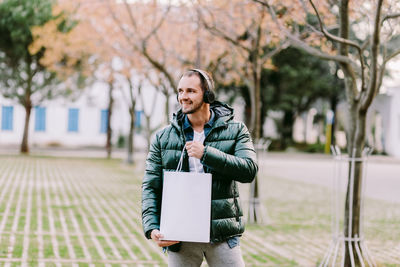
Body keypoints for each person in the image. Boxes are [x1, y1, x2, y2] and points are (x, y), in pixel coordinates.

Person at [141, 69, 258, 266]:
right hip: (180, 235)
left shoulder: (236, 129)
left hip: (221, 233)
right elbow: (151, 186)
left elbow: (249, 170)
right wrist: (152, 227)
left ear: (208, 94)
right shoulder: (163, 137)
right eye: (180, 91)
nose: (183, 97)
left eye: (191, 91)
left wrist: (207, 154)